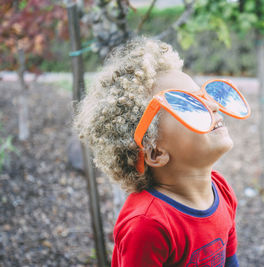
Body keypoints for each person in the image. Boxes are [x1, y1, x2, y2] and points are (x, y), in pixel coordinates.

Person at [74, 38, 250, 266]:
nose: (213, 106)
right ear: (155, 151)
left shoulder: (221, 189)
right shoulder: (147, 225)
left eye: (203, 96)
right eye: (189, 105)